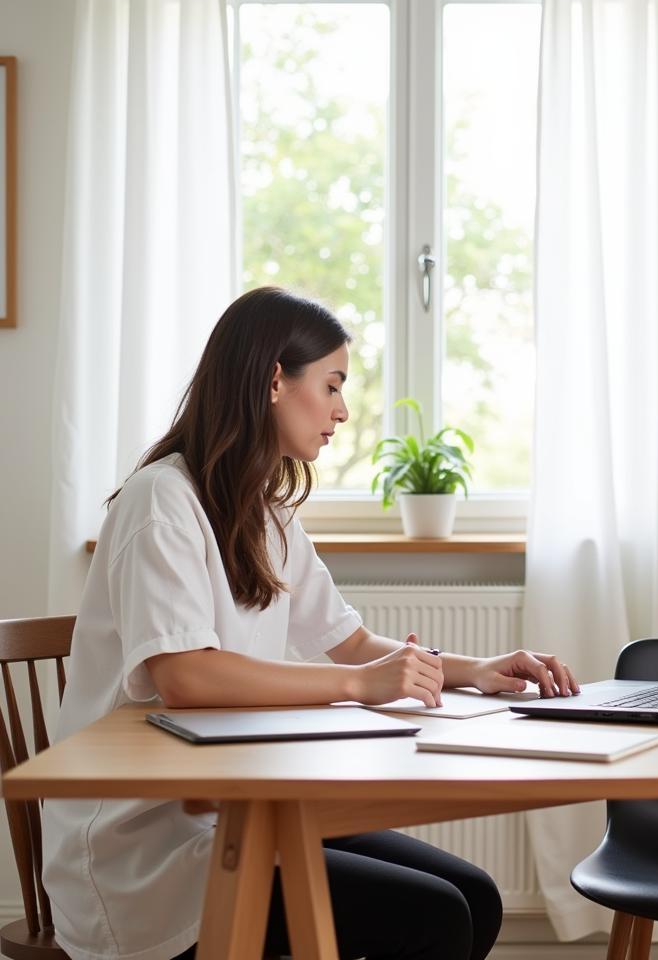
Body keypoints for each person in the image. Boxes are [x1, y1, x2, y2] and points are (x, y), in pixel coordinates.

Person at [41, 286, 581, 960]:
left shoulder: (265, 510)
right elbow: (185, 676)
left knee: (475, 897)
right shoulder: (162, 501)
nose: (343, 411)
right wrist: (359, 686)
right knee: (433, 918)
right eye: (331, 386)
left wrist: (475, 669)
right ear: (274, 379)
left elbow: (349, 642)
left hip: (240, 808)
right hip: (148, 845)